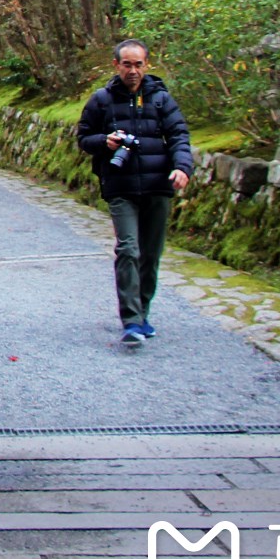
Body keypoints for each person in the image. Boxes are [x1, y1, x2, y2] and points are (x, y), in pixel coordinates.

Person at [76, 39, 193, 346]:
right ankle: (130, 320)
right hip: (121, 186)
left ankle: (142, 313)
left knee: (150, 254)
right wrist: (105, 141)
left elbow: (179, 135)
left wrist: (182, 167)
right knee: (128, 249)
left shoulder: (161, 100)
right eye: (127, 64)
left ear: (147, 65)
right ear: (116, 65)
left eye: (138, 64)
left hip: (158, 186)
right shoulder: (101, 100)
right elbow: (84, 138)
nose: (133, 71)